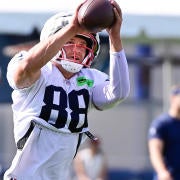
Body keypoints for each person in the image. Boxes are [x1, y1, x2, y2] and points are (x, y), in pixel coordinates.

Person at [4, 0, 130, 179]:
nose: (77, 50)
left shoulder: (90, 78)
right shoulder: (38, 71)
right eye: (71, 41)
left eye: (83, 44)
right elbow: (24, 70)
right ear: (53, 39)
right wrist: (72, 27)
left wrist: (115, 37)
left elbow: (119, 92)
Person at [148, 85, 180, 180]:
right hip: (169, 177)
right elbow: (155, 151)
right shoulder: (162, 124)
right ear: (173, 98)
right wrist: (162, 172)